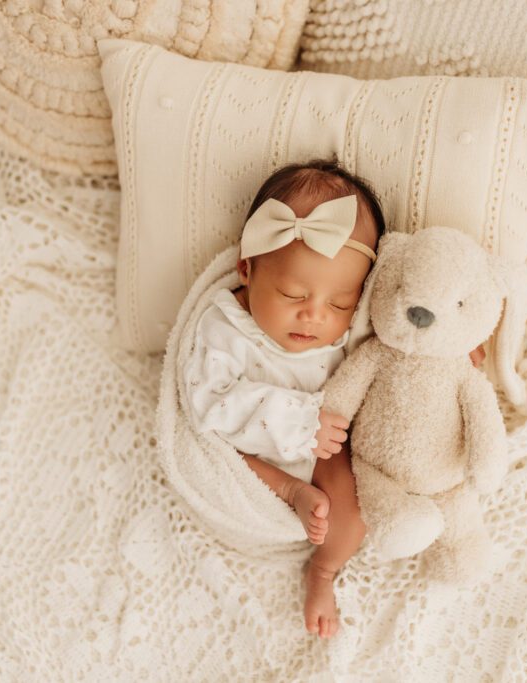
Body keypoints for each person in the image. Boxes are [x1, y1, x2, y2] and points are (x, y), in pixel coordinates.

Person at [183, 159, 486, 639]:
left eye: (340, 303)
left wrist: (446, 345)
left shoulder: (353, 318)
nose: (314, 316)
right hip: (248, 452)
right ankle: (288, 490)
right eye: (291, 292)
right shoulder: (224, 326)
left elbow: (392, 334)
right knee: (229, 455)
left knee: (351, 519)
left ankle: (323, 572)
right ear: (247, 269)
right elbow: (208, 405)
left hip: (327, 448)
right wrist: (299, 422)